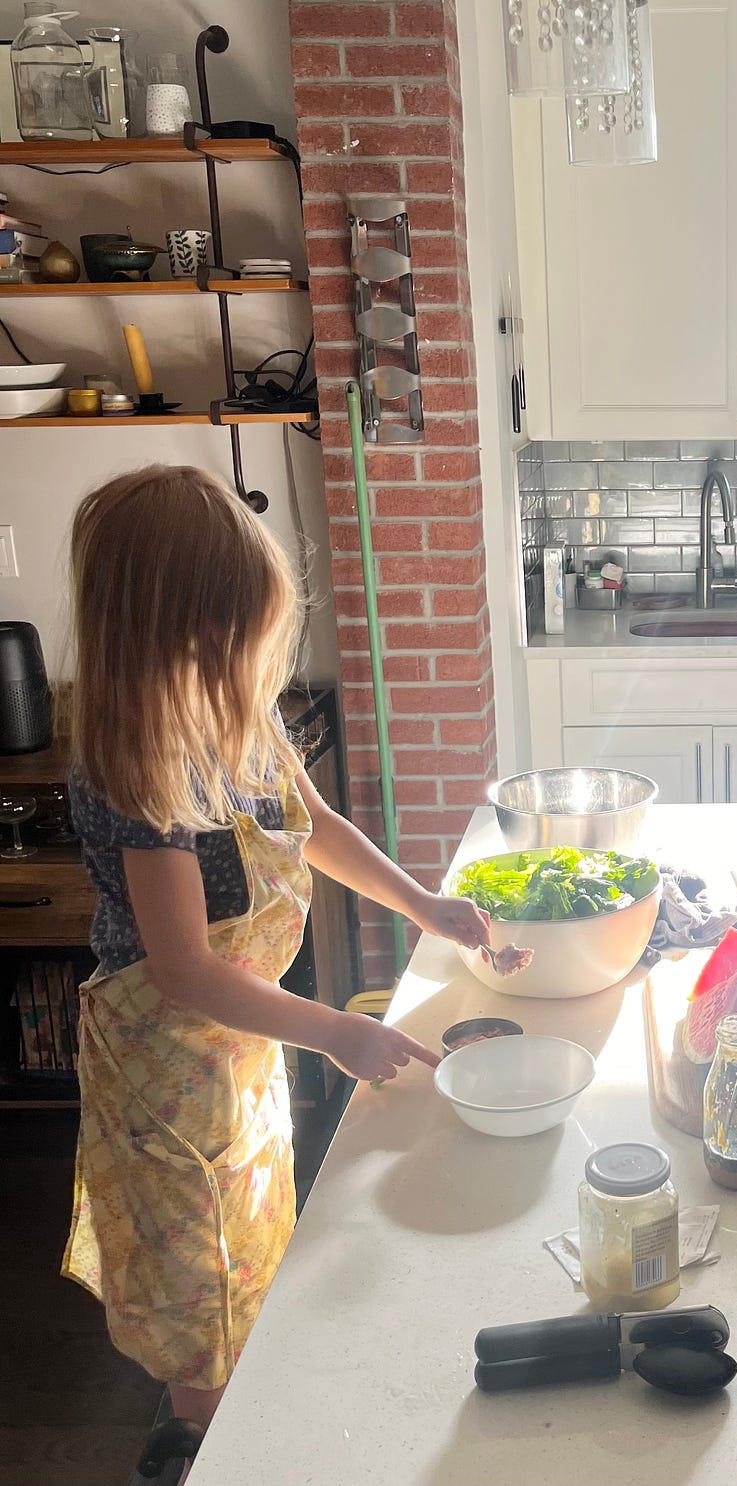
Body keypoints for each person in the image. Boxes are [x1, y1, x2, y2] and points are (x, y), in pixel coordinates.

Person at [60, 466, 494, 1433]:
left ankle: (258, 1414)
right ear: (179, 628)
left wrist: (425, 903)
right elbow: (183, 969)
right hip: (166, 1069)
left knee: (250, 1249)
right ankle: (209, 1437)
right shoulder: (135, 762)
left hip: (240, 1047)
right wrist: (335, 1032)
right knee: (196, 1294)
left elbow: (317, 826)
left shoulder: (234, 715)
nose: (244, 656)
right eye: (231, 633)